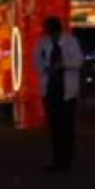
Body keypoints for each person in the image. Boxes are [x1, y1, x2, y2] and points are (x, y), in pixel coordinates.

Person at [36, 16, 83, 172]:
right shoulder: (43, 43)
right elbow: (37, 62)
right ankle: (58, 159)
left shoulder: (71, 42)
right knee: (55, 126)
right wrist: (46, 68)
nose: (52, 37)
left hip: (67, 91)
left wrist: (63, 65)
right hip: (50, 90)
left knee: (66, 126)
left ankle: (67, 159)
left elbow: (79, 61)